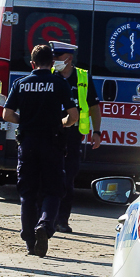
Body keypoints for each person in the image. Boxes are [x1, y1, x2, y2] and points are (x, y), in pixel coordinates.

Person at [2, 44, 78, 257]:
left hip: (27, 144)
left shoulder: (20, 84)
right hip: (52, 144)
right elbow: (74, 116)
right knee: (53, 191)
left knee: (27, 193)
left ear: (32, 63)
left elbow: (7, 114)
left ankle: (30, 242)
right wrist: (62, 122)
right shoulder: (60, 83)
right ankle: (45, 226)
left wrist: (24, 121)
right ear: (52, 63)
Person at [50, 41, 102, 233]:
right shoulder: (49, 75)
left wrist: (96, 132)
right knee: (49, 177)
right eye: (53, 57)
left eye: (57, 57)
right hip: (52, 134)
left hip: (73, 137)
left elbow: (94, 106)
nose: (54, 60)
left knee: (68, 179)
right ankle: (48, 217)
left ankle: (62, 220)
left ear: (69, 58)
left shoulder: (82, 76)